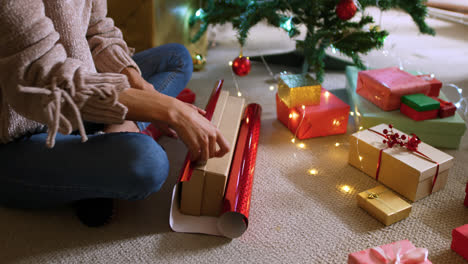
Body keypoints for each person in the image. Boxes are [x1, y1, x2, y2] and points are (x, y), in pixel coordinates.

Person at [0, 0, 230, 226]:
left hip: (81, 95)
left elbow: (99, 31)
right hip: (18, 133)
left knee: (177, 57)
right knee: (147, 162)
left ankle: (112, 138)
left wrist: (143, 90)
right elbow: (44, 81)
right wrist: (167, 109)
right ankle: (106, 153)